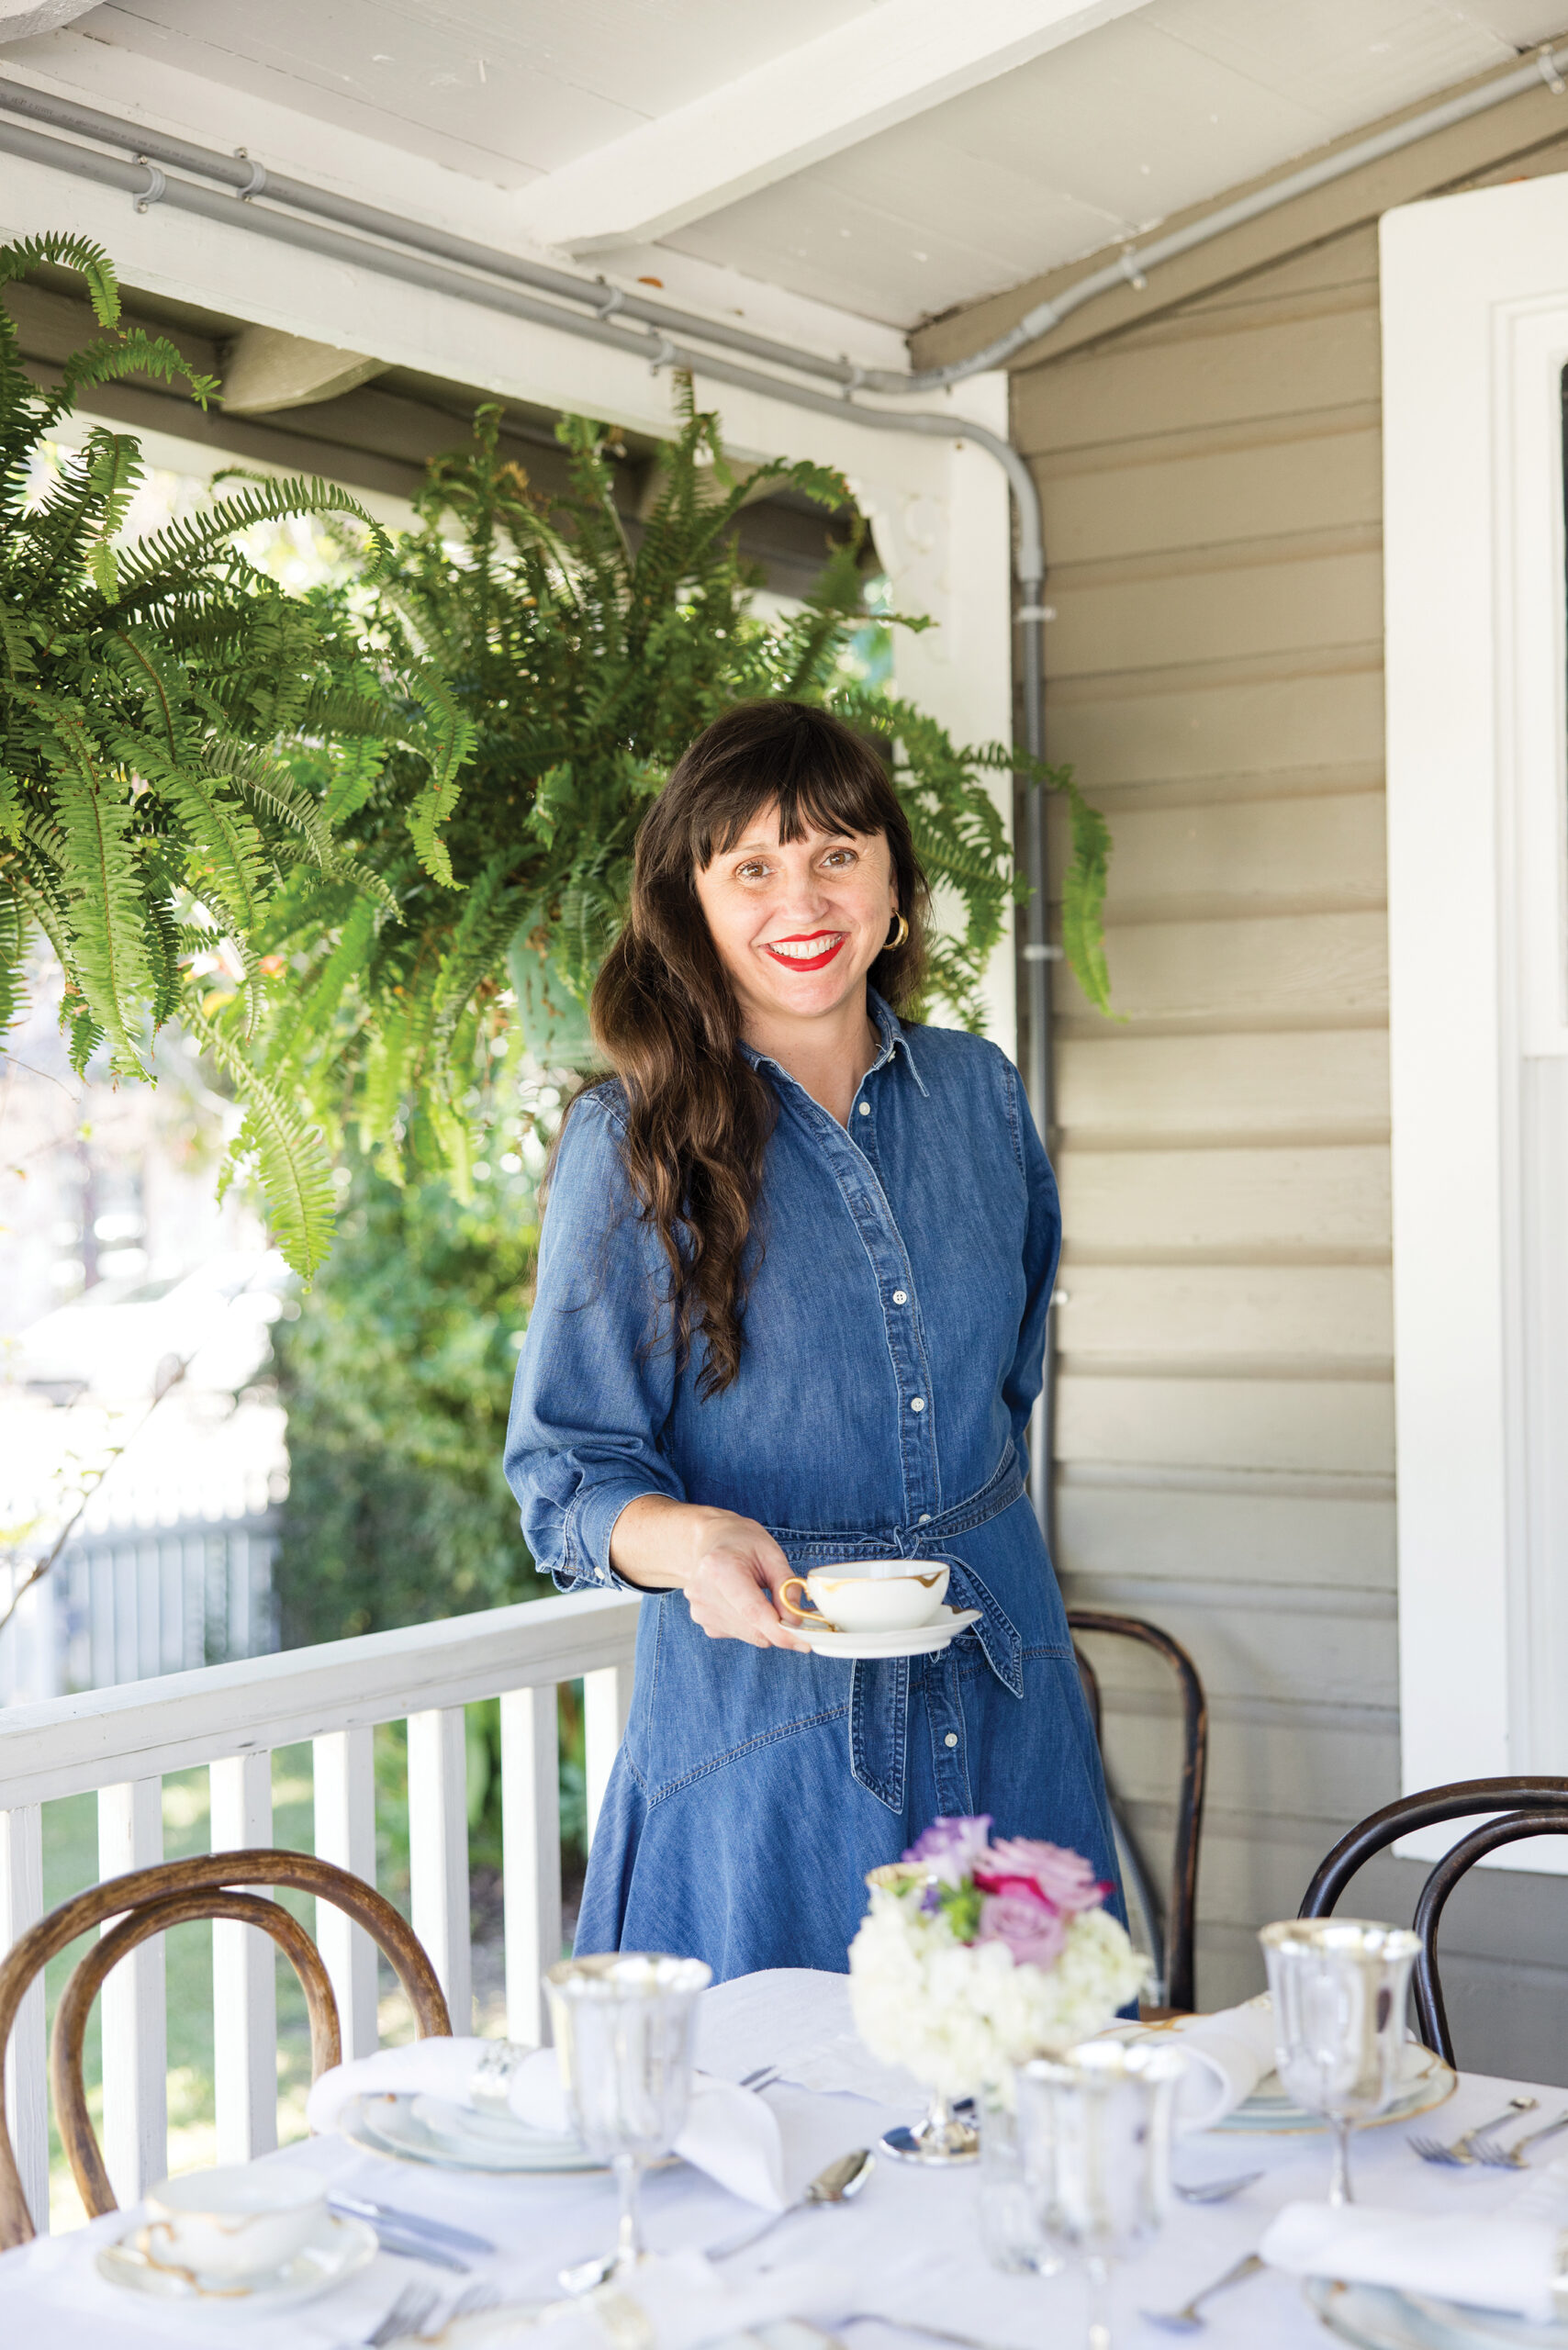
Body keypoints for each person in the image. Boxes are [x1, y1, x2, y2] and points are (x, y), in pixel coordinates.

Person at [504, 699, 1122, 1979]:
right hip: (770, 1738)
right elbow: (567, 1478)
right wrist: (692, 1543)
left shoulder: (978, 1094)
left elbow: (1005, 1388)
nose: (805, 899)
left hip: (1010, 1707)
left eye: (838, 853)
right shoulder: (629, 1145)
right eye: (754, 867)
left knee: (1034, 2122)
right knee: (786, 2145)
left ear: (894, 879)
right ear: (696, 904)